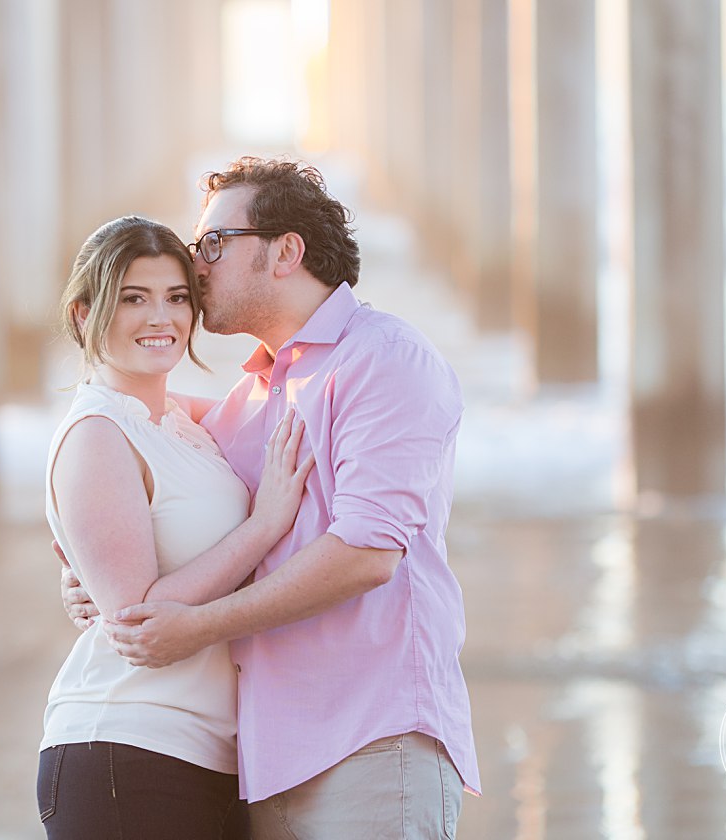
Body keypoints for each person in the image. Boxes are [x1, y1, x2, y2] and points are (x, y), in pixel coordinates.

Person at [65, 158, 481, 838]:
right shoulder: (253, 394)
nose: (197, 267)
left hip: (371, 737)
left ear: (286, 252)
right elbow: (136, 441)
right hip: (261, 758)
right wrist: (88, 567)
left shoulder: (383, 358)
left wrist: (198, 626)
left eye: (213, 245)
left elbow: (367, 554)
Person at [37, 215, 314, 840]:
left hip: (209, 755)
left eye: (177, 297)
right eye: (134, 298)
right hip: (126, 745)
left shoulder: (181, 423)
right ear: (85, 315)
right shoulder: (96, 434)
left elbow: (284, 400)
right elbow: (137, 618)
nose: (161, 317)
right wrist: (264, 524)